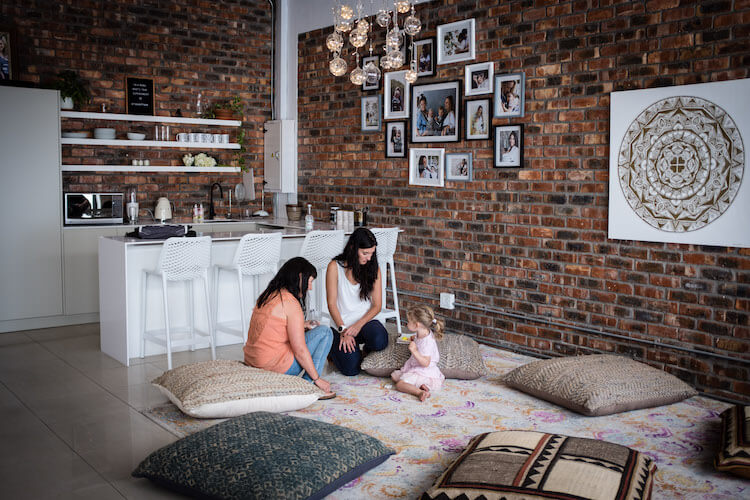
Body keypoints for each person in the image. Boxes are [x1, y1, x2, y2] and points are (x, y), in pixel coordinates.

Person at [244, 257, 335, 399]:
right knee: (325, 333)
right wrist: (318, 378)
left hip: (253, 362)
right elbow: (299, 350)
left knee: (312, 332)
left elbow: (273, 327)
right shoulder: (291, 303)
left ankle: (310, 382)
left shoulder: (268, 295)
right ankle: (309, 384)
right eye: (310, 282)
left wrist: (302, 325)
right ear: (300, 278)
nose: (310, 287)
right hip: (273, 368)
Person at [326, 227, 388, 376]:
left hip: (363, 323)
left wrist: (358, 325)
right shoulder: (334, 267)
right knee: (351, 369)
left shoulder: (373, 268)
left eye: (372, 253)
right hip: (342, 327)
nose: (369, 258)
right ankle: (334, 350)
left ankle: (362, 349)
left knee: (380, 339)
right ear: (353, 248)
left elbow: (377, 305)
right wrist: (344, 330)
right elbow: (331, 304)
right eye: (365, 253)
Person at [390, 305, 445, 401]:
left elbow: (426, 363)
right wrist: (413, 339)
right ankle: (423, 386)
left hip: (424, 371)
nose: (407, 324)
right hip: (418, 369)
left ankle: (420, 392)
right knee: (395, 377)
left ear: (416, 325)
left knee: (399, 384)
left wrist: (414, 351)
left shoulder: (427, 342)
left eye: (409, 322)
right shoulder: (423, 332)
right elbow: (418, 339)